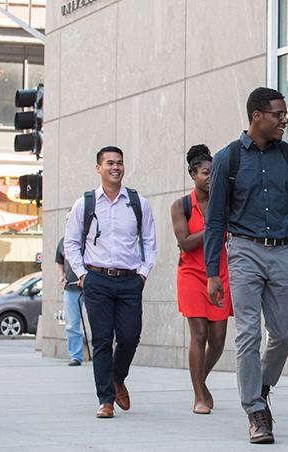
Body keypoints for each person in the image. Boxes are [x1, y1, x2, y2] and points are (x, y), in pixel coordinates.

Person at [203, 87, 288, 445]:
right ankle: (255, 409)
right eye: (278, 114)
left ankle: (262, 387)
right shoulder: (229, 158)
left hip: (284, 253)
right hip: (244, 252)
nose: (285, 120)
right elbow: (215, 219)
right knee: (249, 333)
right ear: (257, 116)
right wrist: (211, 272)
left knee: (284, 335)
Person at [63, 146, 157, 419]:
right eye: (110, 163)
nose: (115, 168)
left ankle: (117, 378)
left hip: (130, 280)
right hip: (97, 280)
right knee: (102, 340)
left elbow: (149, 241)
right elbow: (71, 242)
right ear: (99, 168)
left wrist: (143, 273)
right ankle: (106, 400)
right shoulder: (85, 203)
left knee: (129, 337)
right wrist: (82, 274)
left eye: (119, 163)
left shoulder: (138, 202)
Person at [171, 145, 233, 415]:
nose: (210, 177)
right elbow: (185, 243)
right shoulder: (181, 205)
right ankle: (199, 395)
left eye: (214, 172)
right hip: (191, 275)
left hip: (220, 274)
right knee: (198, 334)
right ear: (193, 174)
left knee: (218, 339)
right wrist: (214, 227)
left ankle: (201, 380)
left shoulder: (226, 202)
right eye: (206, 172)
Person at [55, 213, 83, 367]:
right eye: (66, 220)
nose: (68, 222)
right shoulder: (63, 242)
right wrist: (61, 275)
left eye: (70, 219)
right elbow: (59, 261)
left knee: (98, 323)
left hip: (89, 287)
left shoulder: (87, 240)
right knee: (72, 324)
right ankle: (76, 356)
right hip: (71, 287)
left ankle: (103, 355)